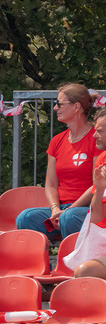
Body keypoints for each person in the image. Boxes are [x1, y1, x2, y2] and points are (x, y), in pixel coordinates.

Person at [16, 84, 98, 239]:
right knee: (25, 217)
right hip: (61, 210)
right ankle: (37, 263)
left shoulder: (96, 138)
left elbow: (97, 184)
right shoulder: (56, 141)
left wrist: (69, 210)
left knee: (70, 217)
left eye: (60, 104)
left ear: (76, 107)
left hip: (86, 209)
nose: (55, 108)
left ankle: (74, 262)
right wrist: (55, 210)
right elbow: (51, 185)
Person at [69, 110, 106, 278]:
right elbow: (97, 219)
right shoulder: (102, 159)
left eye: (100, 131)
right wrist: (99, 189)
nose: (94, 136)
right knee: (83, 272)